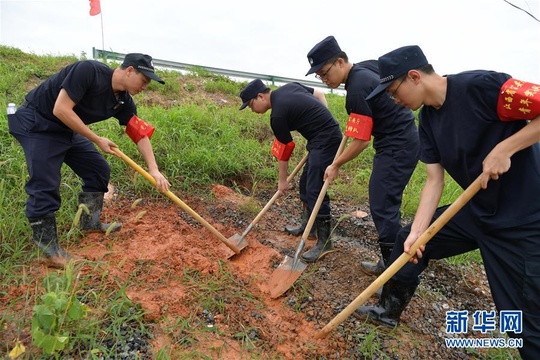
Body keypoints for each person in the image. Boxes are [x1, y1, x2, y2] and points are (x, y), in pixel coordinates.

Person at [355, 45, 540, 359]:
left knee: (524, 319)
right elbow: (433, 181)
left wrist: (505, 148)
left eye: (392, 91)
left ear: (414, 77)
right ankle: (389, 310)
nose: (393, 99)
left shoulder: (482, 86)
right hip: (478, 213)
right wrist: (418, 232)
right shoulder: (427, 120)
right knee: (407, 240)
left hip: (523, 220)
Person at [8, 53, 171, 268]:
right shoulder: (89, 71)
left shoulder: (123, 101)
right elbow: (61, 109)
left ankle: (89, 222)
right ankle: (48, 251)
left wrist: (154, 169)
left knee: (98, 169)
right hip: (37, 121)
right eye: (144, 80)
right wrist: (96, 139)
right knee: (45, 181)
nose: (145, 87)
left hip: (64, 128)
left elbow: (139, 133)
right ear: (130, 70)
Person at [305, 36, 419, 276]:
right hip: (403, 137)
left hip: (396, 145)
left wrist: (336, 164)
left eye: (325, 73)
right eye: (319, 77)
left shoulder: (356, 89)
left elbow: (362, 141)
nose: (324, 80)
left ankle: (395, 272)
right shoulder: (365, 68)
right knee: (384, 204)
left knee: (382, 206)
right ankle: (391, 262)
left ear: (339, 62)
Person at [238, 78, 342, 262]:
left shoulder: (277, 116)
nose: (252, 110)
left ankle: (325, 243)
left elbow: (285, 151)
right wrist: (325, 117)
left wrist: (282, 181)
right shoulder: (289, 87)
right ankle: (308, 227)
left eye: (251, 105)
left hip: (326, 140)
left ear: (260, 96)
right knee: (305, 184)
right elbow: (318, 94)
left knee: (315, 189)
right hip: (320, 139)